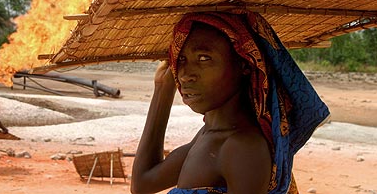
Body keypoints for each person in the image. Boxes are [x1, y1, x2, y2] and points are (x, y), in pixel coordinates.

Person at [131, 10, 330, 194]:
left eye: (203, 58)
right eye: (181, 59)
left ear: (244, 65)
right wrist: (162, 89)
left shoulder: (242, 147)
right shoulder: (209, 136)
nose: (184, 75)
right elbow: (143, 183)